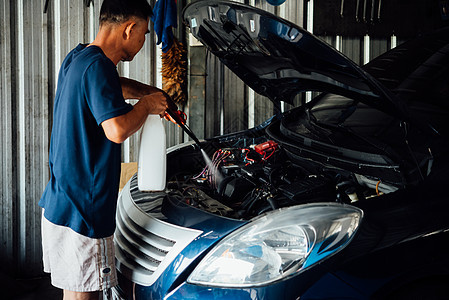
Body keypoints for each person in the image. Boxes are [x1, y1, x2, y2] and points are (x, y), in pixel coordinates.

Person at [38, 0, 169, 299]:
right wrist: (147, 106)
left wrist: (149, 92)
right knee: (85, 295)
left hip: (62, 202)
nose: (143, 40)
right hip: (85, 210)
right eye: (145, 33)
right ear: (129, 29)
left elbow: (111, 85)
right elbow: (118, 130)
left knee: (74, 292)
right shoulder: (98, 67)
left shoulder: (80, 58)